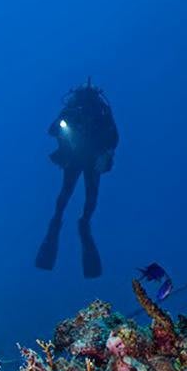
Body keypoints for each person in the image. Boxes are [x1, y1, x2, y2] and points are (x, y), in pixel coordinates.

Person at [35, 79, 119, 278]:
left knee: (75, 193)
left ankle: (73, 221)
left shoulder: (101, 111)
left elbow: (113, 137)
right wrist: (64, 127)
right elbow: (53, 129)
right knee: (77, 193)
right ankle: (76, 221)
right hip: (78, 157)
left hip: (86, 158)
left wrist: (106, 154)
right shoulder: (84, 110)